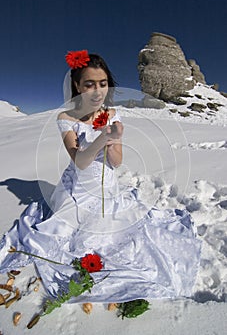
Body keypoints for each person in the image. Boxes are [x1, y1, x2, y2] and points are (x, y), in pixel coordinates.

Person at [0, 50, 201, 305]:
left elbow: (116, 162)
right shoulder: (66, 119)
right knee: (72, 239)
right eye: (89, 84)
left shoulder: (113, 114)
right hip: (78, 191)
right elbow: (80, 161)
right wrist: (101, 139)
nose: (97, 91)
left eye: (103, 84)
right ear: (77, 85)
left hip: (108, 186)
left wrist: (114, 139)